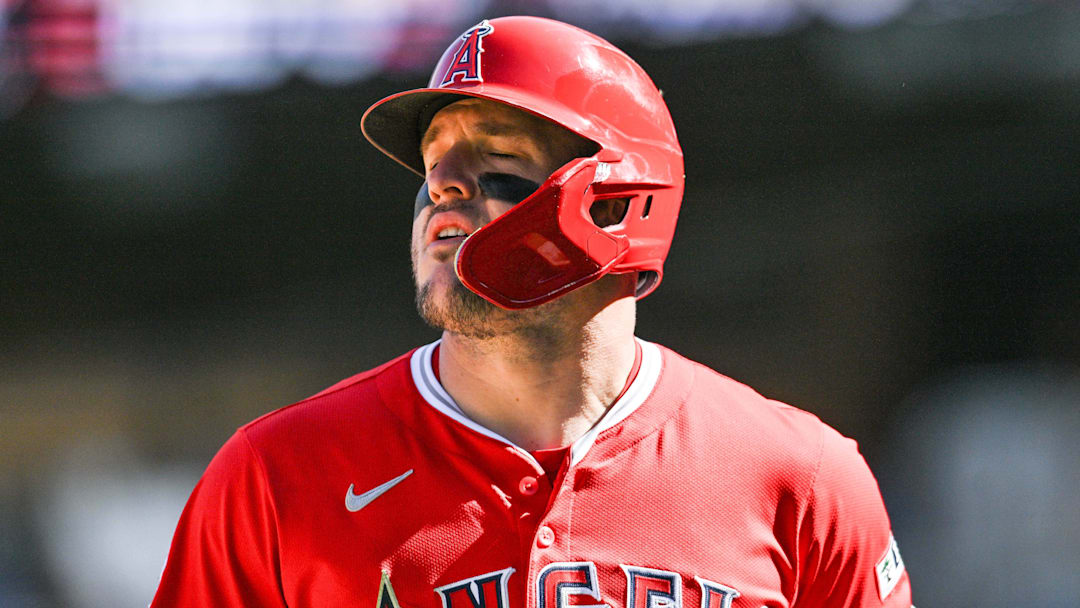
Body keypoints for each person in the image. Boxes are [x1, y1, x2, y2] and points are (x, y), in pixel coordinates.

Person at [151, 16, 912, 608]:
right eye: (433, 162)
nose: (443, 187)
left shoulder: (802, 481)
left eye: (496, 158)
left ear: (618, 200)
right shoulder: (279, 476)